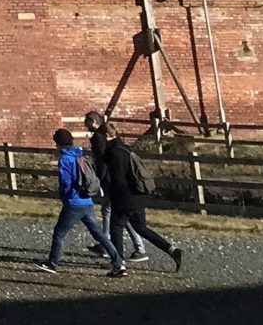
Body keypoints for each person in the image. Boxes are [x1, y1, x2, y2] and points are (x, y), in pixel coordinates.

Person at [98, 125, 185, 276]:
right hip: (138, 196)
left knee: (116, 228)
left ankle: (119, 265)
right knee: (141, 228)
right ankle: (171, 249)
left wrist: (110, 192)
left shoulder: (114, 153)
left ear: (106, 135)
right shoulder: (126, 148)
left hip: (124, 198)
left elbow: (117, 179)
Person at [43, 126, 116, 273]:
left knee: (59, 233)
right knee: (98, 234)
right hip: (87, 201)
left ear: (58, 143)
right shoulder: (79, 155)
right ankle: (117, 260)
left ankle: (52, 262)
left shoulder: (64, 159)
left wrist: (63, 194)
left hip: (73, 202)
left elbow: (65, 182)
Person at [85, 111, 142, 260]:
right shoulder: (106, 139)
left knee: (110, 213)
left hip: (110, 183)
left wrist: (99, 181)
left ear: (93, 121)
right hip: (114, 183)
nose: (85, 125)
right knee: (120, 216)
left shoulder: (98, 138)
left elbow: (102, 161)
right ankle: (136, 247)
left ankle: (107, 246)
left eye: (87, 122)